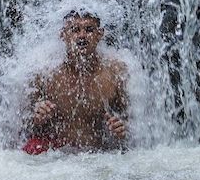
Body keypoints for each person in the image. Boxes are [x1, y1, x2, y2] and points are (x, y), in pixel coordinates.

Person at [22, 11, 130, 154]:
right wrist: (37, 118)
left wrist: (121, 130)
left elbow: (131, 122)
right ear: (63, 35)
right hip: (55, 158)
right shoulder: (45, 74)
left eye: (89, 30)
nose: (82, 36)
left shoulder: (115, 73)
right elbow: (23, 127)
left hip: (99, 157)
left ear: (100, 34)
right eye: (75, 30)